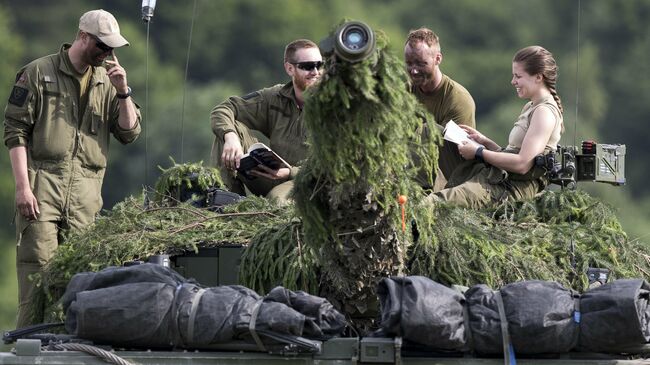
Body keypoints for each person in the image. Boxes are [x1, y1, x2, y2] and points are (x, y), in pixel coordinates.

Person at [3, 9, 141, 327]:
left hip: (86, 196)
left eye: (112, 48)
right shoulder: (38, 72)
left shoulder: (109, 81)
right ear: (82, 37)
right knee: (38, 278)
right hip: (41, 188)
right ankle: (30, 348)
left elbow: (129, 132)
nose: (109, 54)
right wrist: (23, 187)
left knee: (81, 282)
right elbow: (15, 131)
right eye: (103, 46)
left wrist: (123, 92)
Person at [426, 45, 563, 209]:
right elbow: (514, 154)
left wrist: (479, 152)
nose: (513, 82)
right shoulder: (531, 107)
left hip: (511, 187)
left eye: (518, 76)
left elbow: (522, 164)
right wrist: (485, 141)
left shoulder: (544, 113)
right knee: (432, 131)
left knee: (434, 203)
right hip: (501, 176)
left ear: (538, 77)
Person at [210, 39, 322, 203]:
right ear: (290, 68)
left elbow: (337, 166)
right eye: (308, 66)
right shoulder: (275, 98)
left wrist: (291, 172)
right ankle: (225, 202)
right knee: (228, 129)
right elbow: (224, 108)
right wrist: (230, 136)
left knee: (277, 201)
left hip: (310, 181)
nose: (316, 71)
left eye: (320, 65)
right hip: (269, 174)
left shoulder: (334, 106)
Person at [404, 28, 476, 190]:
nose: (413, 70)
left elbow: (458, 159)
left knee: (429, 131)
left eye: (421, 63)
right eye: (409, 63)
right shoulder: (403, 91)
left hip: (448, 178)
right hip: (407, 165)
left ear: (437, 59)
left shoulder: (458, 99)